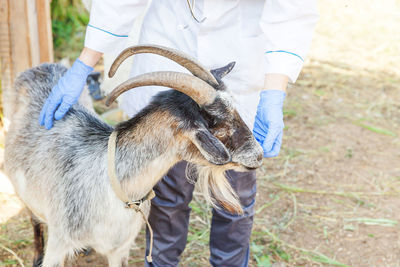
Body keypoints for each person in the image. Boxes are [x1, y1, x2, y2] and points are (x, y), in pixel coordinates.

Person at [39, 0, 318, 266]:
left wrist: (274, 92)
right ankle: (161, 263)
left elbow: (292, 11)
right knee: (167, 196)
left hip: (239, 60)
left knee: (236, 194)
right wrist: (84, 63)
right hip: (172, 42)